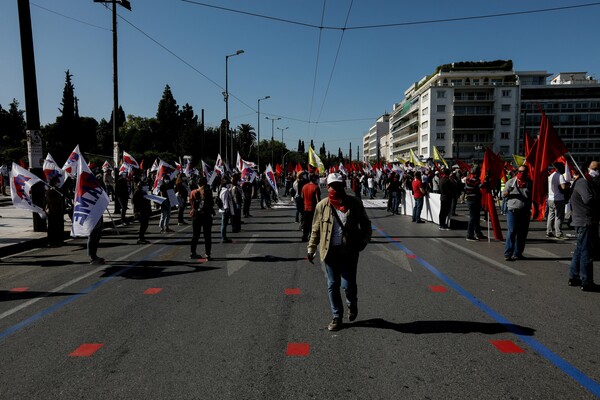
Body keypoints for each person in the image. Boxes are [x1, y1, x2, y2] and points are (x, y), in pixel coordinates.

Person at [307, 173, 372, 331]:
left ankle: (352, 303)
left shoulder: (354, 203)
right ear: (327, 187)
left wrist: (364, 241)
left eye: (338, 185)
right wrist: (311, 248)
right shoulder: (322, 205)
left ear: (343, 186)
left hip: (349, 250)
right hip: (329, 251)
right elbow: (315, 229)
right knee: (332, 284)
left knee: (348, 284)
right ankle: (337, 317)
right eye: (332, 185)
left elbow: (366, 224)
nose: (335, 188)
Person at [568, 162, 598, 291]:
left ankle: (574, 277)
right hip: (585, 222)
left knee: (580, 251)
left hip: (584, 221)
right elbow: (588, 200)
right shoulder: (583, 182)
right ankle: (586, 281)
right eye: (595, 169)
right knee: (587, 252)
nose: (597, 171)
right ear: (587, 169)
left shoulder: (587, 182)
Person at [503, 165, 532, 261]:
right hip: (513, 210)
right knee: (512, 231)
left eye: (523, 171)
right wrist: (507, 193)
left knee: (522, 234)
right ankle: (508, 253)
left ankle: (518, 253)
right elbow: (504, 195)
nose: (521, 173)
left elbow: (533, 195)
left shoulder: (530, 183)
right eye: (520, 171)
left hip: (525, 211)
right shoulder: (511, 182)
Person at [190, 177, 214, 259]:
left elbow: (191, 203)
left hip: (196, 215)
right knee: (207, 236)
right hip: (206, 215)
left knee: (195, 235)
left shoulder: (193, 192)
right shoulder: (208, 191)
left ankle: (192, 252)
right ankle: (207, 253)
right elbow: (211, 203)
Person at [546, 163, 569, 239]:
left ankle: (549, 231)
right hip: (558, 198)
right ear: (559, 168)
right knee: (559, 216)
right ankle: (558, 233)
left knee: (551, 215)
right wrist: (567, 184)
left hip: (550, 198)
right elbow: (563, 187)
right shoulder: (560, 176)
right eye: (562, 167)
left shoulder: (551, 175)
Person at [464, 167, 486, 240]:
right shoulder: (475, 180)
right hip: (474, 200)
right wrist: (486, 180)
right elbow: (481, 186)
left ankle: (478, 233)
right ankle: (470, 234)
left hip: (471, 200)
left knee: (476, 218)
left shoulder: (468, 179)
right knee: (473, 218)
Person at [44, 176, 64, 247]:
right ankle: (55, 240)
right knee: (54, 226)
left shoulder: (57, 190)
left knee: (54, 226)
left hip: (55, 211)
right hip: (54, 211)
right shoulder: (51, 191)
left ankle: (56, 240)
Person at [301, 174, 321, 242]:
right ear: (314, 179)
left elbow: (302, 197)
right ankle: (312, 236)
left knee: (306, 223)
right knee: (313, 223)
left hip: (305, 207)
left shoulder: (304, 187)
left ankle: (304, 236)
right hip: (313, 208)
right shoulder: (315, 187)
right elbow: (318, 199)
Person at [219, 176, 234, 243]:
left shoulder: (223, 190)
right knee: (224, 224)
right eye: (229, 184)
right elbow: (225, 201)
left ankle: (224, 237)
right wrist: (226, 208)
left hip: (224, 209)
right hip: (225, 209)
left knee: (224, 224)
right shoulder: (225, 191)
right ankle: (223, 238)